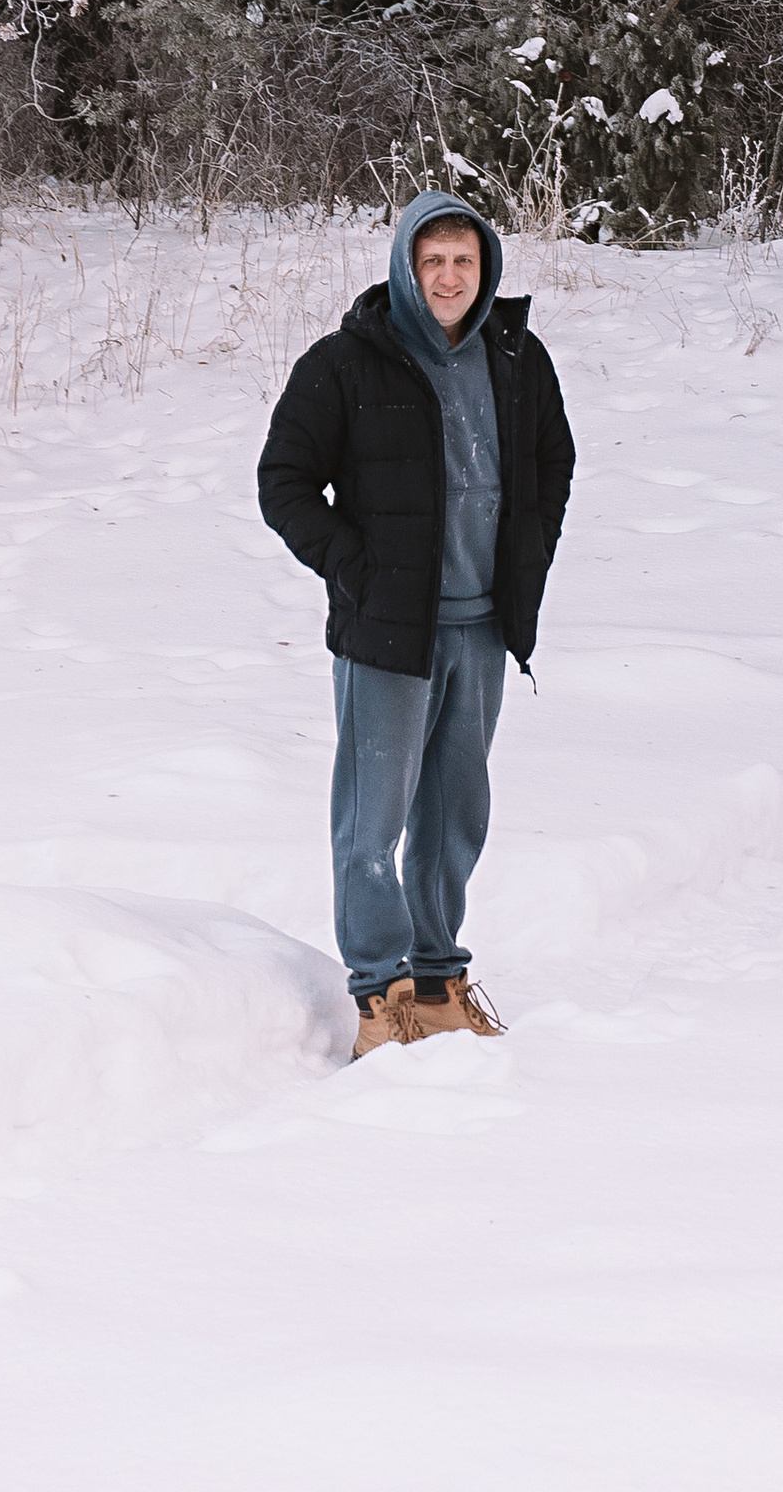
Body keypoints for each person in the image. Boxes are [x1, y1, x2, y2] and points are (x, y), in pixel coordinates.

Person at [257, 191, 576, 1058]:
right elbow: (284, 481)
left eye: (463, 261)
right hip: (390, 635)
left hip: (482, 629)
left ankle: (437, 983)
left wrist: (528, 555)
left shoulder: (516, 356)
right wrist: (356, 571)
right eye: (432, 261)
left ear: (486, 268)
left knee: (454, 815)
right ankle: (380, 996)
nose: (448, 277)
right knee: (375, 822)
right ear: (405, 266)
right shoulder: (348, 362)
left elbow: (554, 460)